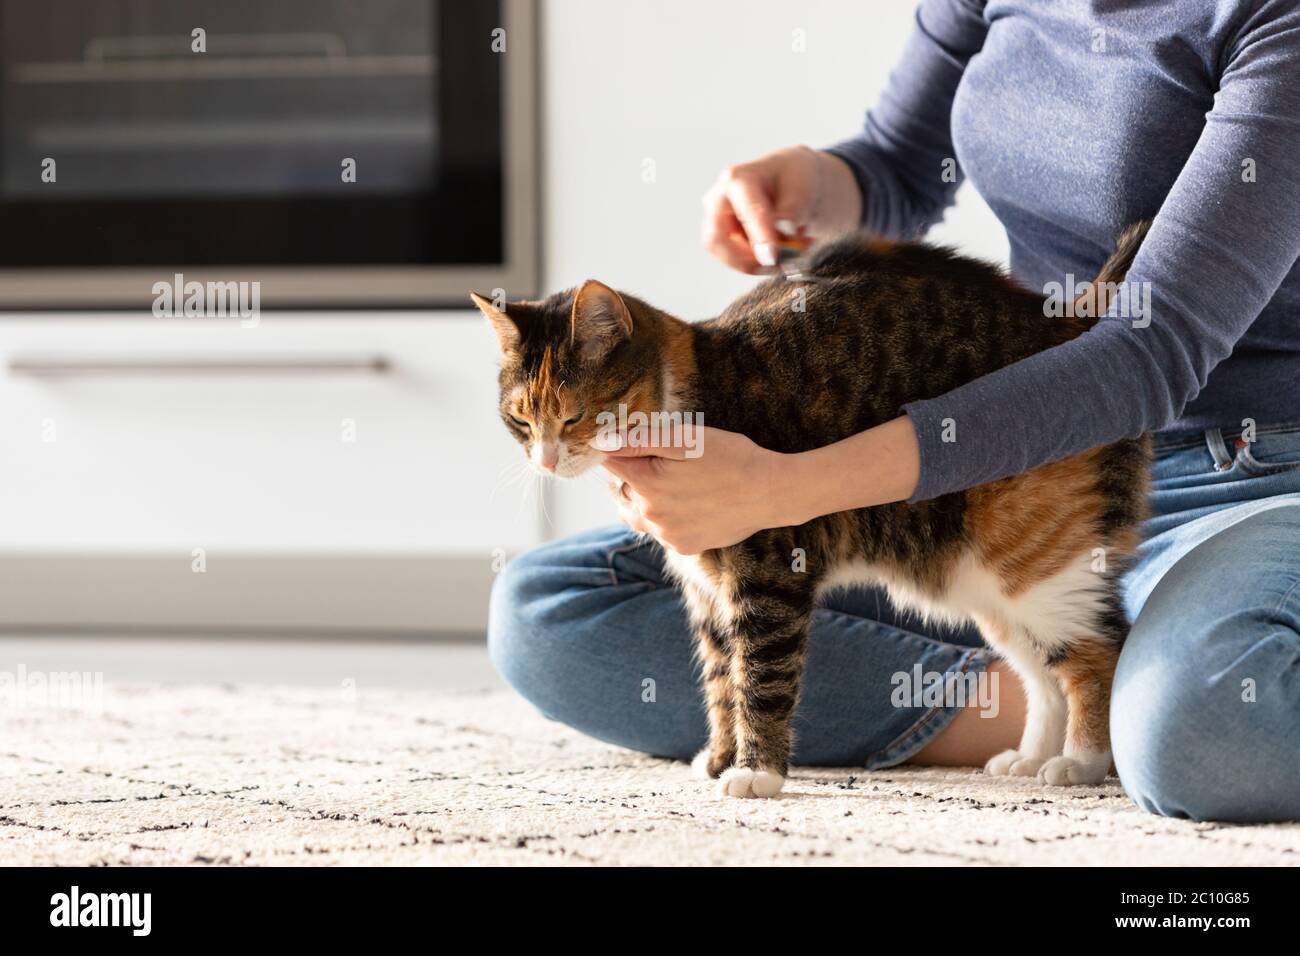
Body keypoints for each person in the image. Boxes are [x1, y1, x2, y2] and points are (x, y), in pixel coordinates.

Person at [488, 0, 1300, 822]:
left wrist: (789, 487)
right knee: (550, 609)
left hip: (1246, 477)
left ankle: (1111, 686)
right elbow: (901, 167)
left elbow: (1144, 359)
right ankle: (1052, 687)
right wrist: (820, 185)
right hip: (996, 464)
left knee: (1212, 732)